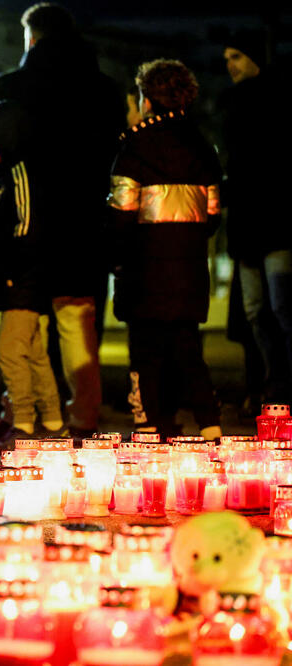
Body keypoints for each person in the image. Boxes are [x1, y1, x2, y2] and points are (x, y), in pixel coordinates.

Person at [0, 2, 122, 436]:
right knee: (77, 321)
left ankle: (22, 413)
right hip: (85, 223)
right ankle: (83, 415)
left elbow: (1, 160)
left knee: (24, 324)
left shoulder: (11, 86)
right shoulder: (105, 90)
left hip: (27, 224)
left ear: (31, 36)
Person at [107, 59, 222, 440]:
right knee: (189, 351)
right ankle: (210, 427)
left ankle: (149, 429)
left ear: (146, 98)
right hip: (189, 269)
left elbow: (120, 216)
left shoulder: (134, 147)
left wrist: (118, 259)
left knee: (145, 355)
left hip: (143, 271)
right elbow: (213, 215)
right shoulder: (203, 145)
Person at [0, 100, 64, 440]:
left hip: (24, 281)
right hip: (20, 280)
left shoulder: (19, 174)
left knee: (11, 352)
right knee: (34, 353)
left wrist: (11, 272)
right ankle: (54, 419)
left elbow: (27, 230)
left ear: (6, 138)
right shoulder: (6, 176)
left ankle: (23, 420)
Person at [219, 32, 291, 404]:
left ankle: (279, 383)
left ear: (255, 59)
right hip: (250, 227)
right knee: (259, 311)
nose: (230, 64)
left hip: (274, 225)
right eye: (227, 57)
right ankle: (274, 383)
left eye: (237, 56)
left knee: (278, 308)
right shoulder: (233, 106)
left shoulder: (274, 101)